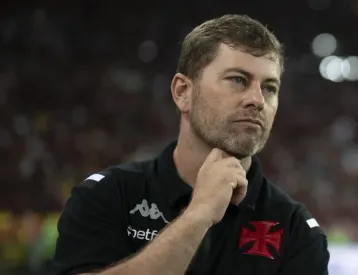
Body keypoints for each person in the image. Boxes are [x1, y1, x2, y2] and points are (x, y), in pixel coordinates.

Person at [52, 14, 330, 275]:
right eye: (238, 80)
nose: (257, 100)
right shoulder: (107, 196)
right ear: (183, 92)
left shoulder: (296, 230)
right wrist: (198, 215)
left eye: (269, 87)